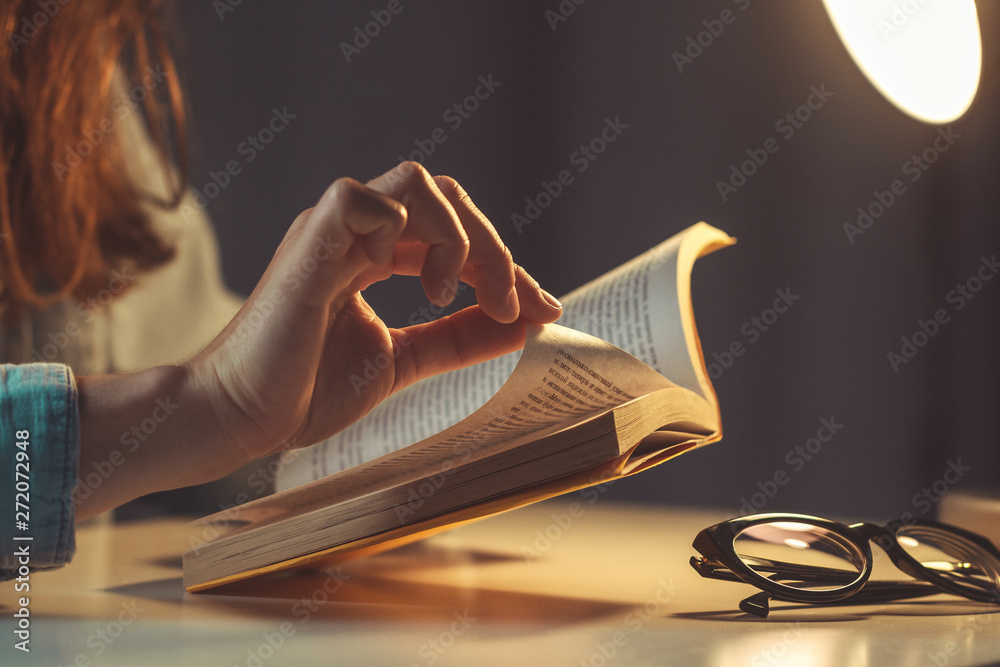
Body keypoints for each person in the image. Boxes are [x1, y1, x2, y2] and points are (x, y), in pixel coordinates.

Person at [0, 1, 561, 579]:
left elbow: (211, 390)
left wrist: (428, 430)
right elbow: (206, 404)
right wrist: (213, 405)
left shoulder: (62, 43)